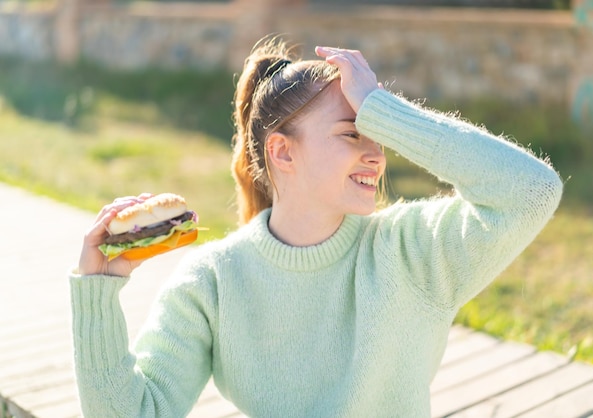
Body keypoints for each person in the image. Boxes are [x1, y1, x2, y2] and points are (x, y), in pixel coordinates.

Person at [71, 37, 563, 417]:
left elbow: (531, 192)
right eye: (353, 132)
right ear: (283, 152)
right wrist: (98, 292)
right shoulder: (212, 281)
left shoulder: (413, 251)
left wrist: (382, 110)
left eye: (380, 133)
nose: (377, 152)